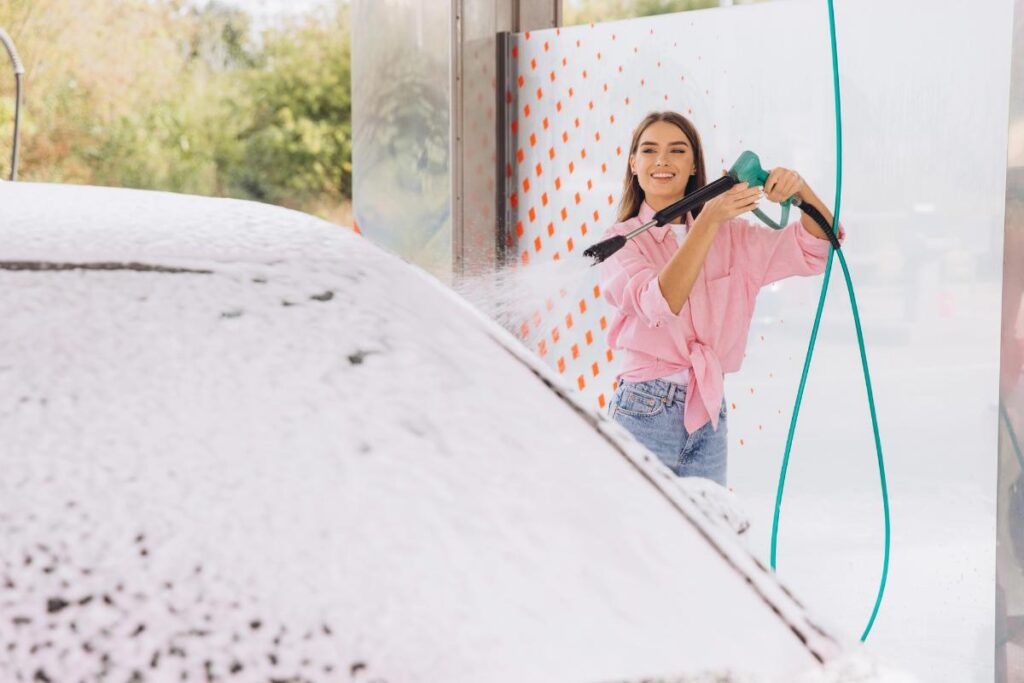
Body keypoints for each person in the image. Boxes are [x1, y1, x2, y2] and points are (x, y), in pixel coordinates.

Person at [600, 111, 845, 486]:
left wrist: (801, 192)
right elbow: (660, 303)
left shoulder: (735, 237)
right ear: (634, 164)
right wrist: (710, 221)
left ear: (694, 164)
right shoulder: (622, 242)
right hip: (642, 409)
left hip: (709, 412)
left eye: (677, 150)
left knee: (706, 537)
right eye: (649, 150)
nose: (662, 160)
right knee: (644, 535)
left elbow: (820, 248)